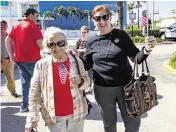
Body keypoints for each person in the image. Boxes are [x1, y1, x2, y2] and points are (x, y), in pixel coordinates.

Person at [82, 5, 157, 132]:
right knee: (109, 125)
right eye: (97, 18)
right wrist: (72, 59)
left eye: (105, 17)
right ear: (93, 20)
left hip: (126, 88)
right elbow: (86, 65)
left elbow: (136, 58)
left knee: (133, 123)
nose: (102, 21)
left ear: (110, 17)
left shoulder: (121, 35)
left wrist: (147, 49)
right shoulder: (91, 41)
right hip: (102, 89)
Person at [25, 27, 89, 132]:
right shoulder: (41, 65)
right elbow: (34, 93)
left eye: (60, 43)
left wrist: (81, 81)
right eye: (51, 44)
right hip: (53, 117)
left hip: (76, 115)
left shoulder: (77, 61)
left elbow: (87, 83)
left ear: (65, 43)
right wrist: (32, 119)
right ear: (47, 46)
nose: (56, 47)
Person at [5, 8, 43, 112]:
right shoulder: (33, 26)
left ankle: (24, 105)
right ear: (30, 15)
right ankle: (40, 105)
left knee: (25, 83)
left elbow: (7, 40)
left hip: (20, 60)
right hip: (33, 60)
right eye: (36, 15)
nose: (37, 18)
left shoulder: (16, 26)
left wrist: (11, 56)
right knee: (38, 82)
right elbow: (40, 43)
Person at [0, 20, 19, 98]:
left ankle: (12, 91)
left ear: (7, 27)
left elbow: (14, 48)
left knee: (10, 77)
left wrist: (9, 58)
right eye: (1, 25)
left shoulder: (10, 37)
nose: (3, 27)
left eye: (4, 25)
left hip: (8, 60)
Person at [75, 26, 93, 93]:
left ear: (87, 32)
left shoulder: (90, 41)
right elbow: (75, 50)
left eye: (84, 32)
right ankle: (82, 86)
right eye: (81, 32)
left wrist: (81, 50)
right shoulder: (79, 41)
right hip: (80, 61)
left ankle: (89, 87)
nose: (83, 34)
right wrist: (83, 50)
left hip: (89, 61)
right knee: (80, 74)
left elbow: (90, 50)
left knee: (89, 75)